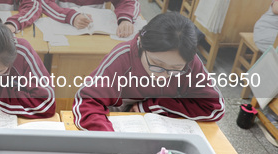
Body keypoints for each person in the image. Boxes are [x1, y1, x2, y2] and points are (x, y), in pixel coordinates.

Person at [73, 12, 225, 131]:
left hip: (161, 126)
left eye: (175, 70)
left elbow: (214, 107)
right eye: (156, 64)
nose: (163, 76)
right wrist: (109, 139)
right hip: (117, 121)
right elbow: (86, 102)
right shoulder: (122, 58)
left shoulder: (189, 63)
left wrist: (154, 106)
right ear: (140, 44)